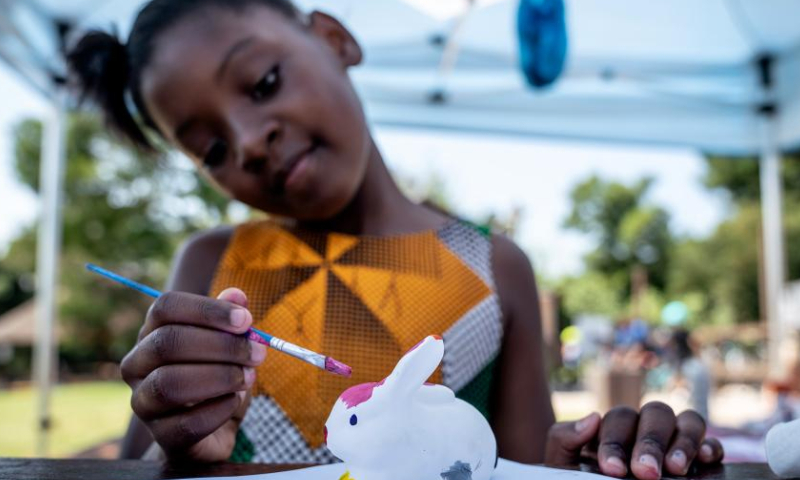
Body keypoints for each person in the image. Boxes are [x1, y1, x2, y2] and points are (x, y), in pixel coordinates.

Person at [67, 1, 723, 478]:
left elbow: (523, 469)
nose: (248, 141)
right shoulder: (212, 268)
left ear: (334, 39)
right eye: (211, 149)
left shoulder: (495, 267)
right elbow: (142, 467)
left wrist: (593, 455)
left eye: (264, 83)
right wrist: (177, 449)